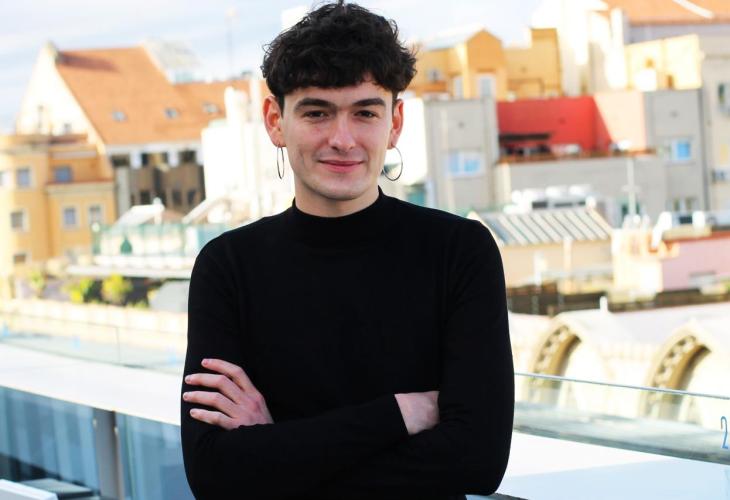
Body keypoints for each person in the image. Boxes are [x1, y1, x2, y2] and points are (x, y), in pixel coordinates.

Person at [180, 2, 514, 499]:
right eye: (317, 113)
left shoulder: (459, 251)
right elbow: (213, 473)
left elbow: (478, 461)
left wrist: (277, 448)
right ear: (275, 120)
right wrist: (400, 413)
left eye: (365, 113)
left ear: (395, 122)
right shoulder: (228, 267)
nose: (342, 139)